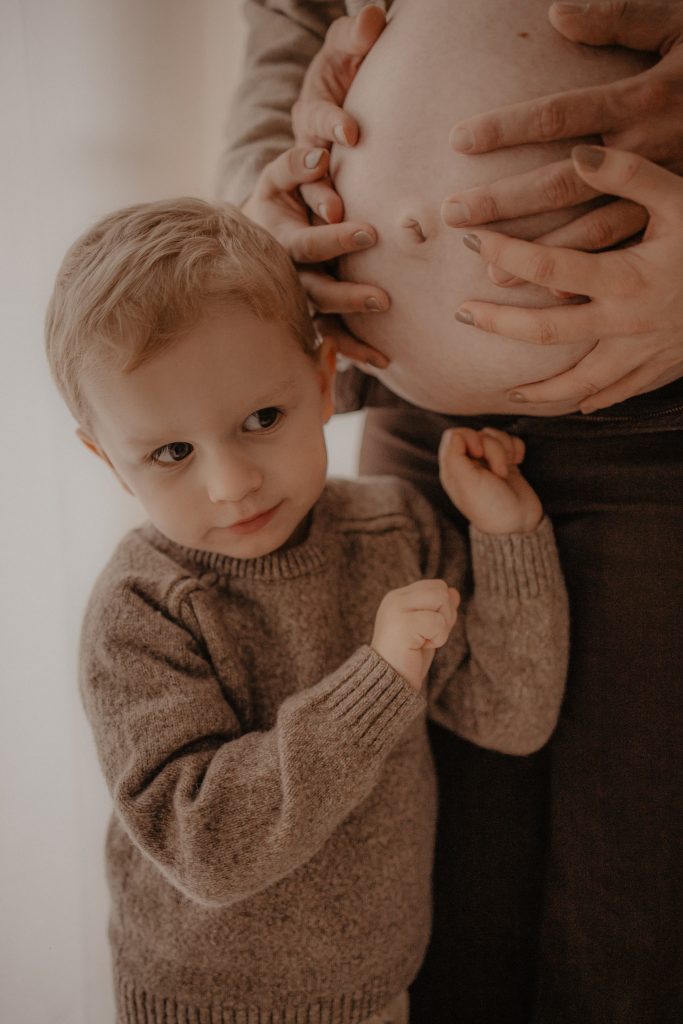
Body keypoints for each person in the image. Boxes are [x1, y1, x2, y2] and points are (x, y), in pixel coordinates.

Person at [221, 3, 683, 1022]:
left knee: (639, 939)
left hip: (664, 440)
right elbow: (291, 27)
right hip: (414, 436)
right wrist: (263, 217)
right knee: (438, 928)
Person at [44, 195, 569, 1024]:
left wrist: (506, 536)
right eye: (171, 452)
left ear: (323, 383)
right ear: (109, 461)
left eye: (262, 418)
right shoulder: (141, 609)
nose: (231, 483)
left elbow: (509, 714)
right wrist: (377, 682)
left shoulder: (392, 529)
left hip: (380, 989)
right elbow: (204, 846)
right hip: (204, 1004)